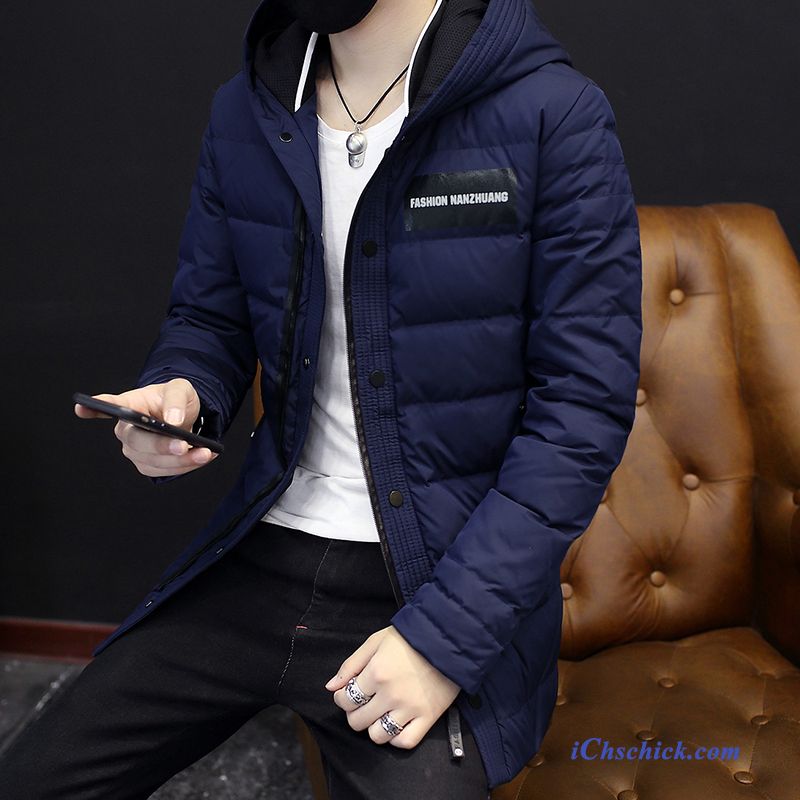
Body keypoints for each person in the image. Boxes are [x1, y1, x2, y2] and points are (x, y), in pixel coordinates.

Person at [0, 0, 643, 797]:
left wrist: (443, 641)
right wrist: (184, 393)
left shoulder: (553, 113)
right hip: (263, 558)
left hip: (430, 583)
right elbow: (210, 319)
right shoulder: (247, 111)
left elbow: (580, 415)